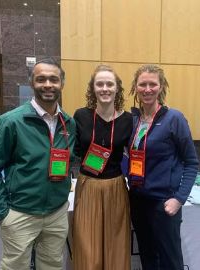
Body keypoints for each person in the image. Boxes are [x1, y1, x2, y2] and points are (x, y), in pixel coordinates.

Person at [0, 58, 76, 270]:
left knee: (52, 265)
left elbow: (70, 160)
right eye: (41, 79)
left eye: (54, 79)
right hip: (20, 213)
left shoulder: (69, 123)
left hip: (56, 212)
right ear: (32, 83)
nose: (48, 85)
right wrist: (2, 212)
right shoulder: (11, 121)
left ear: (62, 84)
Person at [128, 64, 199, 270]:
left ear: (161, 87)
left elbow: (191, 162)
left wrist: (179, 199)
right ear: (136, 87)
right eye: (143, 84)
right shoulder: (134, 120)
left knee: (170, 261)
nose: (147, 89)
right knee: (148, 258)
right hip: (138, 201)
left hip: (164, 203)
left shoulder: (174, 118)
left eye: (153, 84)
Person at [72, 65, 132, 270]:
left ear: (117, 89)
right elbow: (76, 150)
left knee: (116, 247)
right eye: (100, 84)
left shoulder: (128, 120)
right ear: (93, 89)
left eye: (109, 84)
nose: (105, 88)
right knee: (87, 247)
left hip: (115, 187)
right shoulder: (81, 116)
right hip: (88, 186)